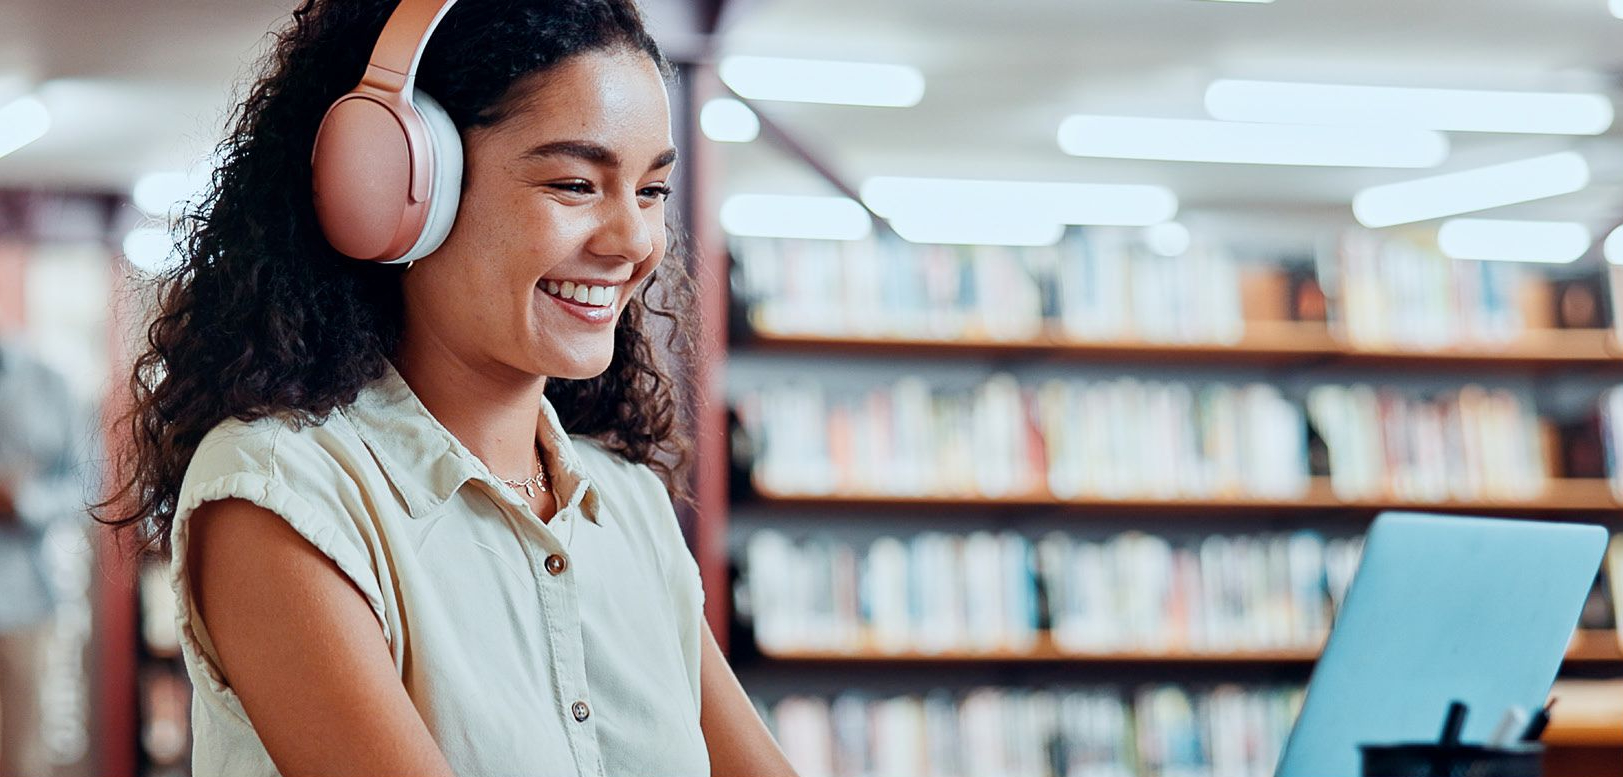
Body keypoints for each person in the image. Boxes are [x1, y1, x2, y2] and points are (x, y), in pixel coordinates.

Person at [96, 1, 798, 775]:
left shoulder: (627, 504)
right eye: (573, 183)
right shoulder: (280, 495)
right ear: (396, 186)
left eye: (651, 191)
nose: (633, 241)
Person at [0, 338, 94, 777]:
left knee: (23, 756)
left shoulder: (48, 383)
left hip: (22, 607)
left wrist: (22, 501)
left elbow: (89, 485)